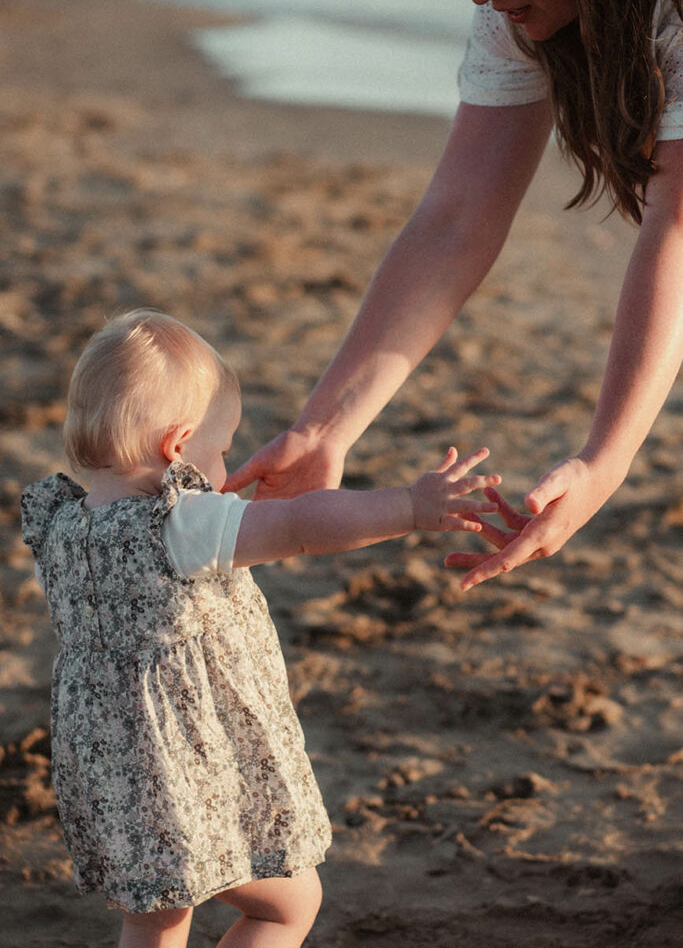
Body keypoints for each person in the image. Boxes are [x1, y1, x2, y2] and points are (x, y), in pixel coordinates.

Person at [20, 309, 500, 948]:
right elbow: (304, 524)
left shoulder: (58, 527)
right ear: (178, 446)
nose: (224, 467)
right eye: (220, 450)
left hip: (112, 785)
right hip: (193, 775)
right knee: (288, 905)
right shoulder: (180, 524)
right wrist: (409, 507)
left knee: (157, 915)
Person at [225, 0, 683, 592]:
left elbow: (674, 228)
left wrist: (603, 460)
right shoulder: (516, 13)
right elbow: (455, 219)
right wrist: (324, 427)